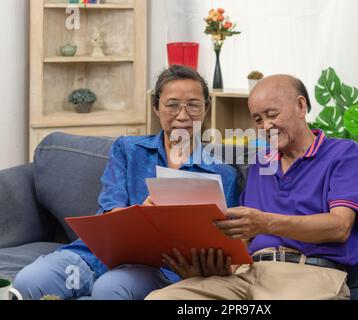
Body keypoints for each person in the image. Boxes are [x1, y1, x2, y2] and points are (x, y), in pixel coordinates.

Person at [13, 65, 239, 300]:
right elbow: (112, 208)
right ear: (156, 107)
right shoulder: (128, 149)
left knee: (110, 289)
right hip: (93, 255)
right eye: (172, 105)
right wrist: (142, 216)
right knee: (30, 281)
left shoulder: (223, 174)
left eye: (193, 105)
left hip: (160, 269)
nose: (183, 115)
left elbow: (224, 246)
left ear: (206, 109)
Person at [147, 74, 358, 300]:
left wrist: (266, 223)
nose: (266, 126)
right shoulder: (260, 165)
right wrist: (219, 268)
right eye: (257, 120)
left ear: (301, 106)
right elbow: (243, 240)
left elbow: (340, 227)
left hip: (310, 273)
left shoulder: (342, 153)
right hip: (248, 275)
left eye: (272, 114)